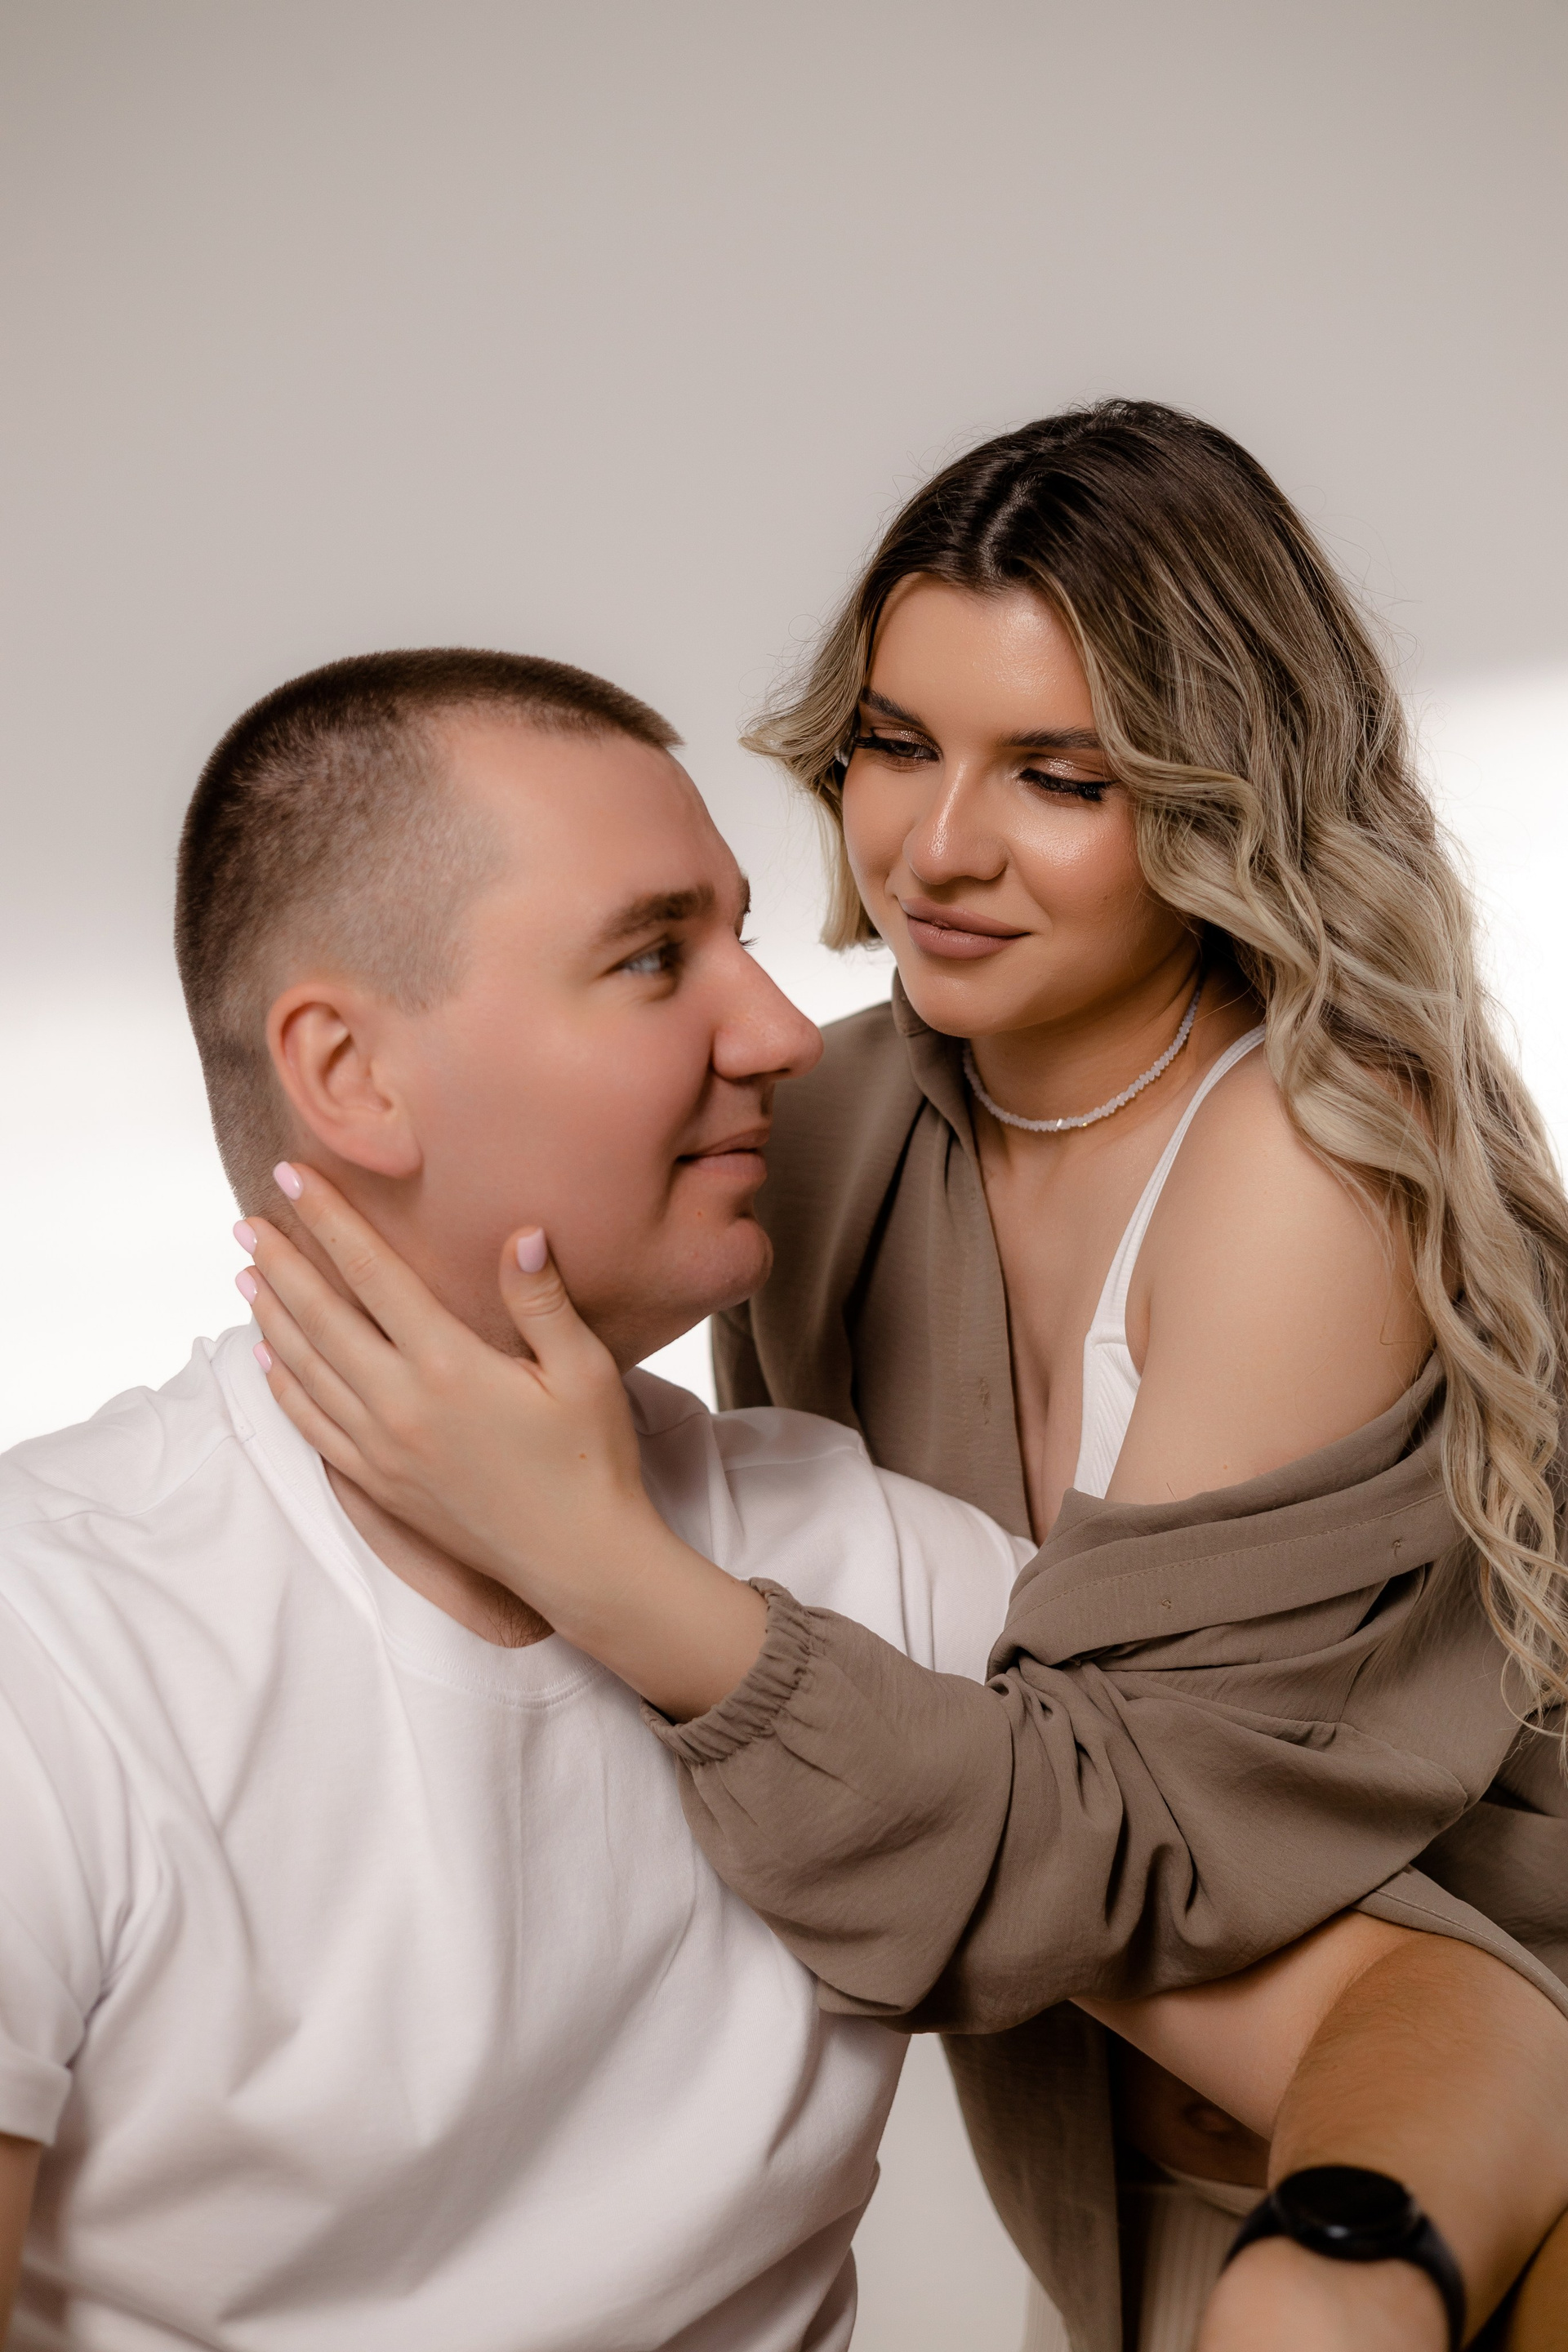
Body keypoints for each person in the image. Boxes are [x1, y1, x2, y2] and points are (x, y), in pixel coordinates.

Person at [235, 410, 1568, 2352]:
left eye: (1060, 776)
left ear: (1226, 798)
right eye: (894, 744)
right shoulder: (826, 1120)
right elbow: (856, 1635)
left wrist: (596, 1561)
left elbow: (1126, 1838)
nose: (938, 849)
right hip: (1099, 2167)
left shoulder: (1310, 1165)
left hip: (1471, 2174)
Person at [0, 652, 1028, 2350]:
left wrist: (1347, 2268)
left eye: (742, 936)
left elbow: (1369, 1967)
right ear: (351, 1074)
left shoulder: (867, 1552)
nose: (785, 1034)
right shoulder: (47, 1643)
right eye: (653, 957)